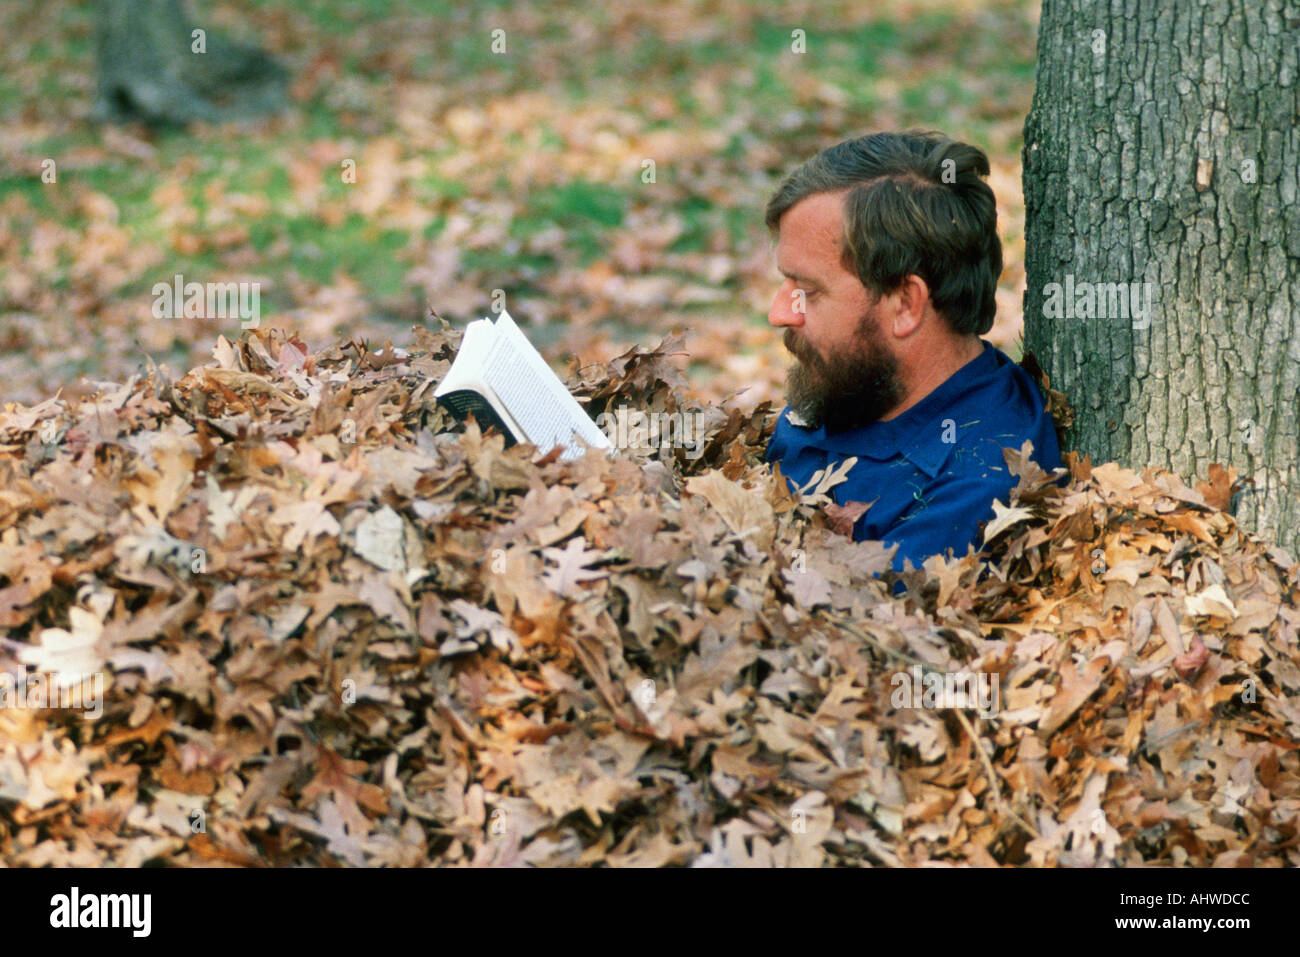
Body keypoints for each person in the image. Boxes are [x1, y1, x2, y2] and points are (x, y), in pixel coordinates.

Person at [764, 130, 1062, 573]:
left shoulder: (975, 489)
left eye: (808, 290)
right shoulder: (859, 382)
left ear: (904, 303)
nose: (779, 314)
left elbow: (831, 631)